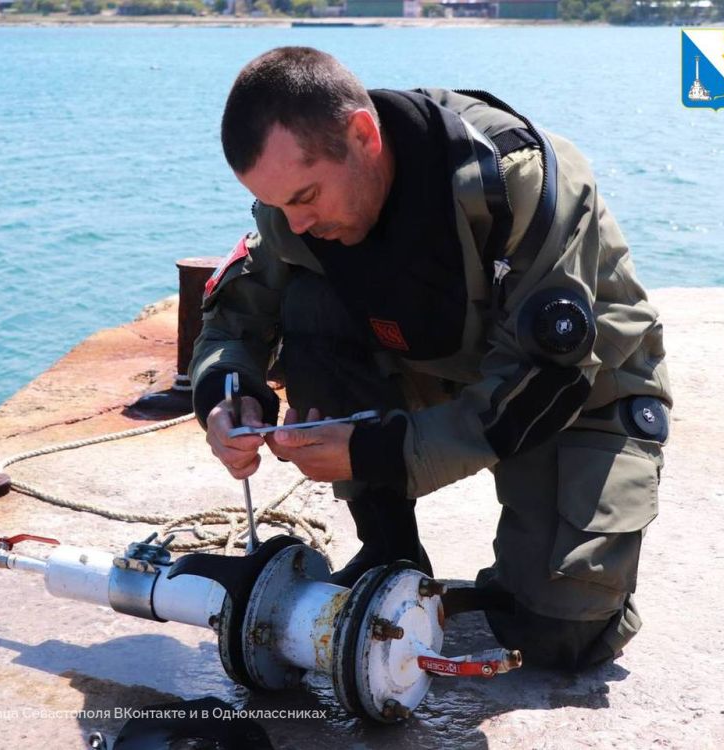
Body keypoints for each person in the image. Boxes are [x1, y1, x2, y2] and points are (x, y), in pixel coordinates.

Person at [189, 46, 672, 671]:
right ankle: (389, 552)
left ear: (362, 136)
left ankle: (527, 582)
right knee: (309, 302)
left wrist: (382, 451)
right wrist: (227, 396)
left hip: (576, 390)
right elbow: (234, 319)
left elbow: (546, 379)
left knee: (557, 638)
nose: (297, 223)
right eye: (280, 205)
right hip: (436, 364)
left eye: (306, 196)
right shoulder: (297, 212)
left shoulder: (515, 179)